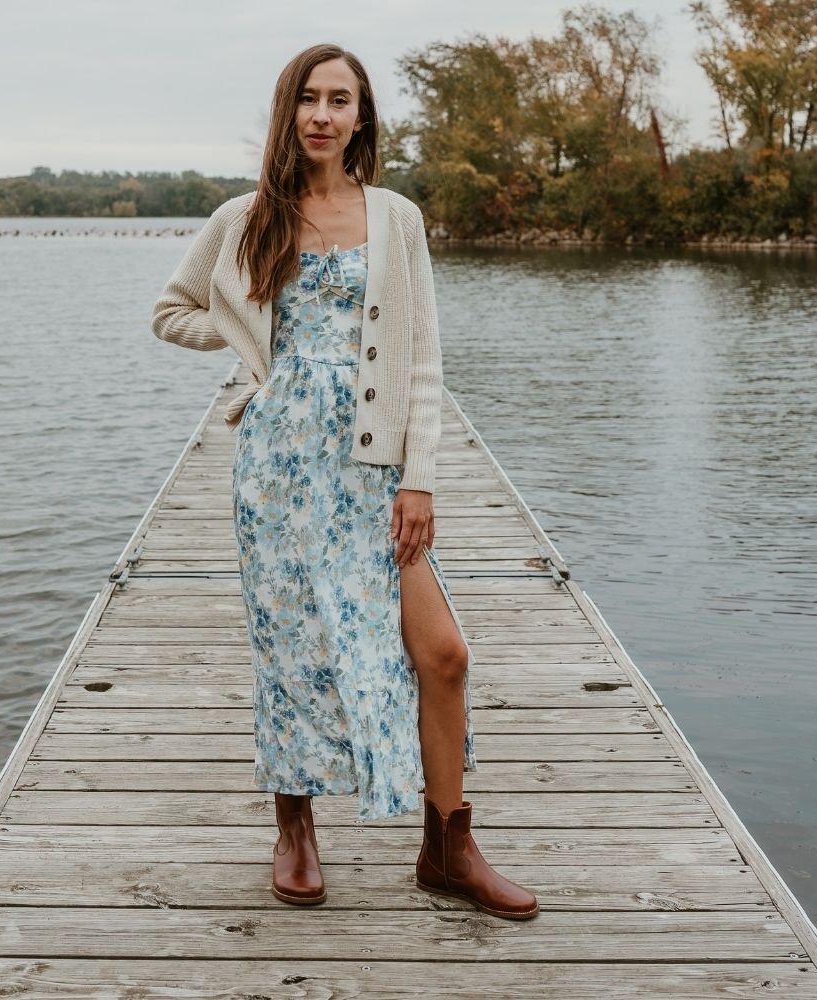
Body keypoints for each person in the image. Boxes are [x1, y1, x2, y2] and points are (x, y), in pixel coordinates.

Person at [151, 42, 538, 921]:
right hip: (277, 467)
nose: (323, 115)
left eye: (340, 100)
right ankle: (294, 827)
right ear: (287, 112)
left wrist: (419, 479)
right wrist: (247, 342)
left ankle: (447, 850)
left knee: (442, 654)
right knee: (290, 647)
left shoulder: (397, 218)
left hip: (373, 469)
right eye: (309, 99)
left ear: (362, 117)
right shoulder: (246, 219)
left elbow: (424, 359)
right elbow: (171, 311)